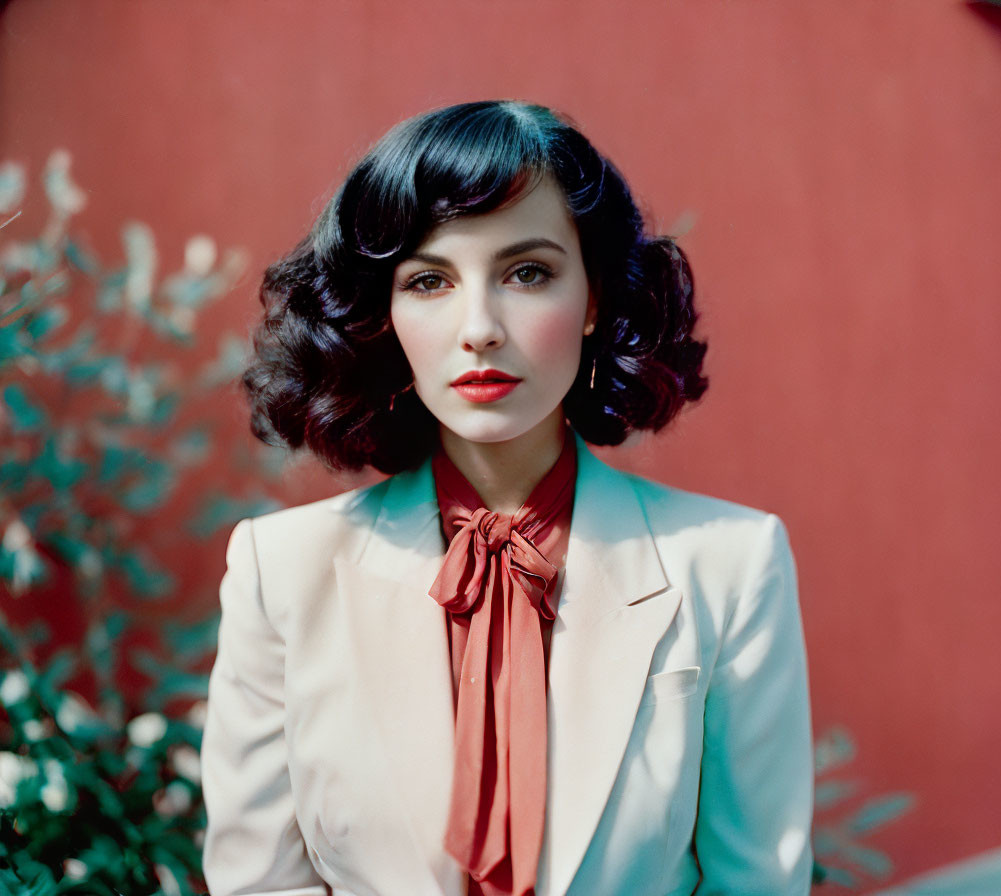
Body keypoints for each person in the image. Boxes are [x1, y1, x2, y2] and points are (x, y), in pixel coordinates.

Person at [201, 100, 814, 896]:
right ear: (383, 314)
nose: (480, 327)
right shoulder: (279, 574)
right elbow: (260, 886)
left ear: (593, 298)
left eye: (528, 273)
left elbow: (757, 884)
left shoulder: (730, 566)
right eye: (429, 281)